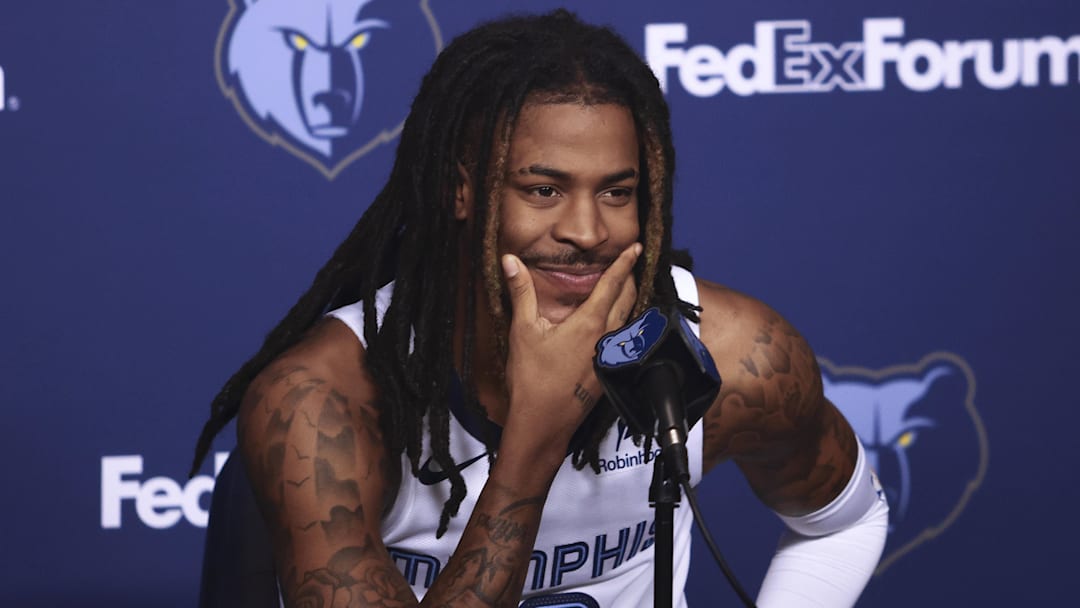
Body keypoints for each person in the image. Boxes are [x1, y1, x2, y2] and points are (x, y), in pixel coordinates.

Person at [191, 9, 888, 607]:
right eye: (543, 190)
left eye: (616, 192)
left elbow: (845, 521)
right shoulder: (324, 402)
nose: (586, 231)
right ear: (462, 191)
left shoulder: (730, 355)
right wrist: (534, 441)